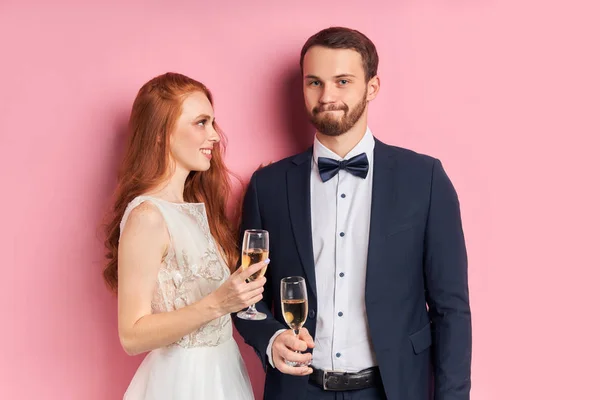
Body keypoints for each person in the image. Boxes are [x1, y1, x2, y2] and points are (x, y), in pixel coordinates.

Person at [234, 27, 472, 399]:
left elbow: (451, 311)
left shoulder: (425, 179)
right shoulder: (267, 186)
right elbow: (246, 295)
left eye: (342, 81)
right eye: (314, 82)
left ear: (372, 87)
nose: (327, 96)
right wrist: (271, 337)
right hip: (298, 391)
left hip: (393, 390)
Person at [102, 72, 267, 399]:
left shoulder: (195, 208)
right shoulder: (148, 216)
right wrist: (218, 303)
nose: (215, 136)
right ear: (162, 133)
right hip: (183, 383)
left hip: (224, 373)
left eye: (212, 123)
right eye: (201, 123)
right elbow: (131, 336)